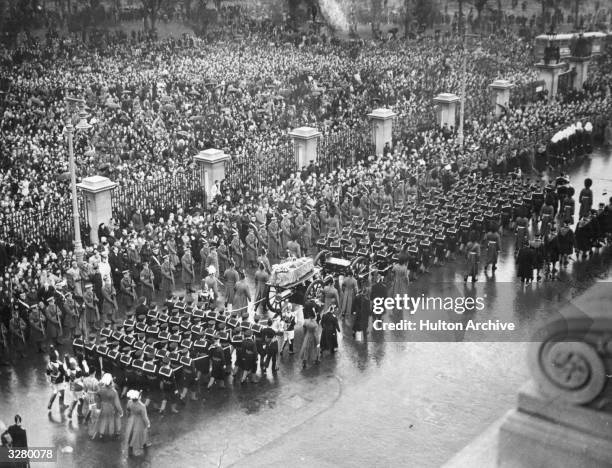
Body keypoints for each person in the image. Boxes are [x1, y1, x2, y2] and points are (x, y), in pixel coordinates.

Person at [92, 373, 123, 440]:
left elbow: (98, 399)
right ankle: (112, 433)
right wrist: (121, 412)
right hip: (111, 408)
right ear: (111, 381)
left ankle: (101, 433)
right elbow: (117, 403)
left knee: (103, 419)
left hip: (103, 407)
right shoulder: (114, 392)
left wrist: (98, 407)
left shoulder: (100, 390)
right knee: (112, 420)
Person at [125, 389, 151, 457]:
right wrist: (148, 423)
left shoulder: (129, 402)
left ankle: (144, 443)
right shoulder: (142, 406)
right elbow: (144, 417)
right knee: (139, 434)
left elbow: (127, 410)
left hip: (132, 419)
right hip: (139, 421)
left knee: (132, 432)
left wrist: (128, 416)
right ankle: (133, 447)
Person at [299, 301, 320, 369]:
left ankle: (304, 362)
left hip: (308, 335)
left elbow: (304, 327)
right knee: (316, 348)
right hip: (314, 336)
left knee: (306, 348)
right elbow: (316, 331)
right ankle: (316, 359)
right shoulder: (314, 324)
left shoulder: (306, 322)